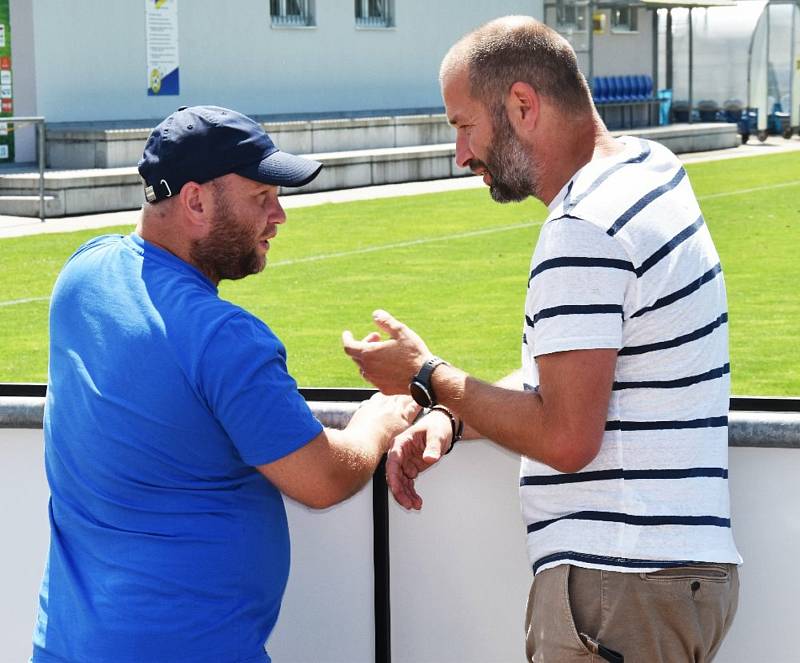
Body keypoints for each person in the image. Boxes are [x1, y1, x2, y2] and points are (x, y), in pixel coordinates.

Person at [342, 16, 742, 663]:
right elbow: (566, 382)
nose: (461, 154)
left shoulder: (582, 225)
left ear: (523, 105)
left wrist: (425, 374)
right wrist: (449, 415)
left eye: (463, 125)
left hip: (619, 586)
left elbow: (565, 436)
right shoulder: (652, 169)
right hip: (678, 580)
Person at [33, 105, 417, 663]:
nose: (279, 215)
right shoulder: (224, 337)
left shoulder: (83, 272)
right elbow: (323, 479)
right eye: (262, 196)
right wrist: (377, 420)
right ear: (194, 201)